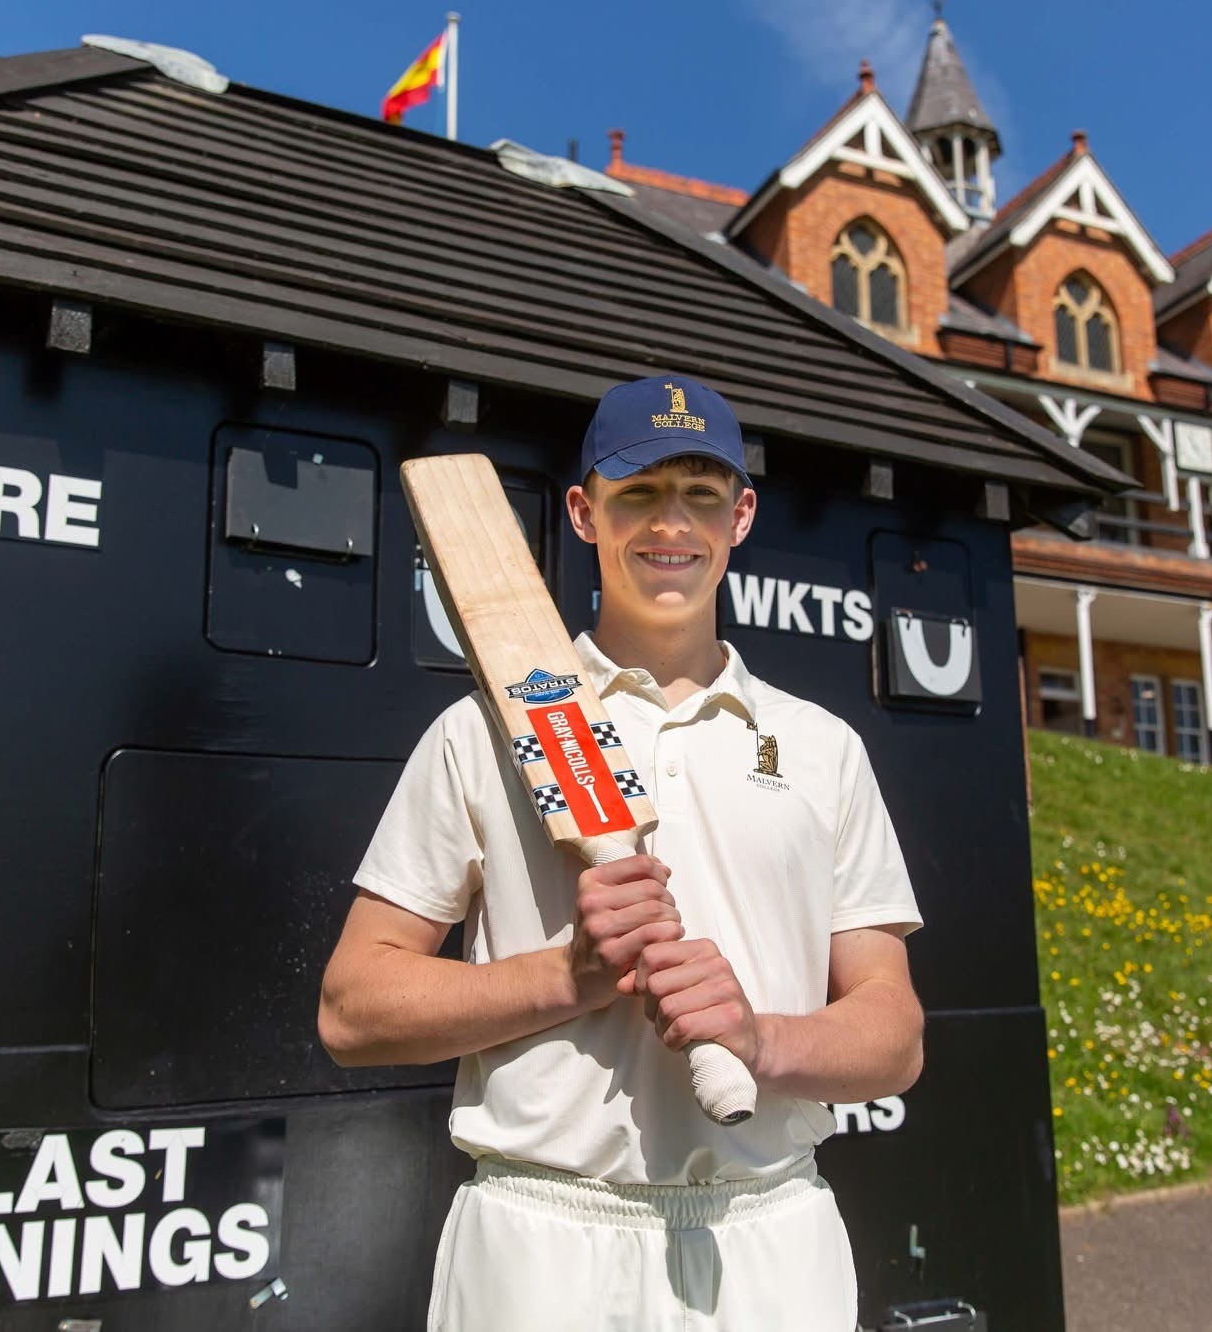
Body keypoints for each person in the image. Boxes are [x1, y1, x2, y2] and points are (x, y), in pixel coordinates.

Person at [317, 375, 925, 1332]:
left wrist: (762, 1040)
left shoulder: (824, 748)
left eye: (701, 493)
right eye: (638, 491)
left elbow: (894, 1035)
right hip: (544, 1243)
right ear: (583, 512)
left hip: (769, 1237)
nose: (670, 522)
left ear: (741, 515)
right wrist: (567, 974)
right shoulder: (481, 732)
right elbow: (352, 1008)